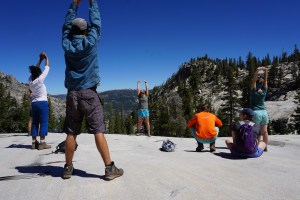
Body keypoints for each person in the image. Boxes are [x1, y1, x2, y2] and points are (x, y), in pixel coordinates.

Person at [62, 0, 123, 180]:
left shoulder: (66, 45)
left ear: (72, 31)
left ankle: (67, 168)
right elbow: (97, 24)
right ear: (85, 30)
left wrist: (73, 5)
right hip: (89, 92)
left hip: (72, 94)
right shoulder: (90, 42)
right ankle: (109, 169)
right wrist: (92, 2)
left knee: (71, 132)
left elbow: (65, 29)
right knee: (97, 130)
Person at [28, 52, 51, 150]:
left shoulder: (30, 80)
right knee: (43, 122)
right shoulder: (40, 80)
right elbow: (47, 67)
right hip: (42, 103)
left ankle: (34, 143)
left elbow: (35, 70)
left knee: (34, 123)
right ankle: (42, 143)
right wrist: (46, 58)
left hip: (34, 104)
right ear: (39, 74)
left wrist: (40, 60)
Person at [250, 67, 269, 151]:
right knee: (265, 131)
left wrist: (257, 71)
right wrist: (265, 72)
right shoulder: (264, 91)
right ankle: (265, 146)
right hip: (264, 112)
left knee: (257, 131)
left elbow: (253, 81)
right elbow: (266, 81)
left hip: (256, 112)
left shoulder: (254, 91)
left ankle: (257, 146)